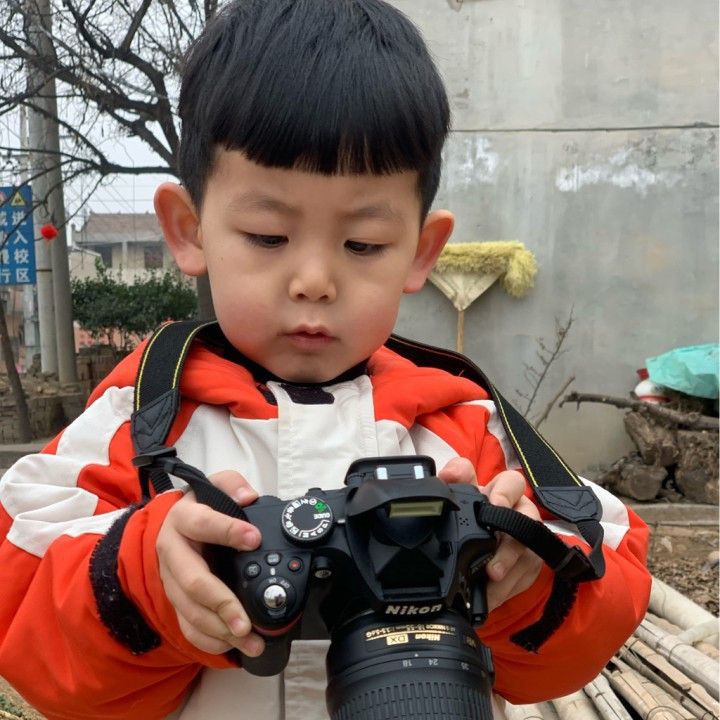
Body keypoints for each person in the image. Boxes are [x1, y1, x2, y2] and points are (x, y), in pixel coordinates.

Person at [0, 1, 651, 718]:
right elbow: (20, 607)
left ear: (421, 252)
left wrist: (524, 572)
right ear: (189, 230)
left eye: (363, 244)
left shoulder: (467, 427)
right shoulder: (141, 425)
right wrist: (147, 579)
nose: (314, 280)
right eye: (268, 236)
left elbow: (611, 566)